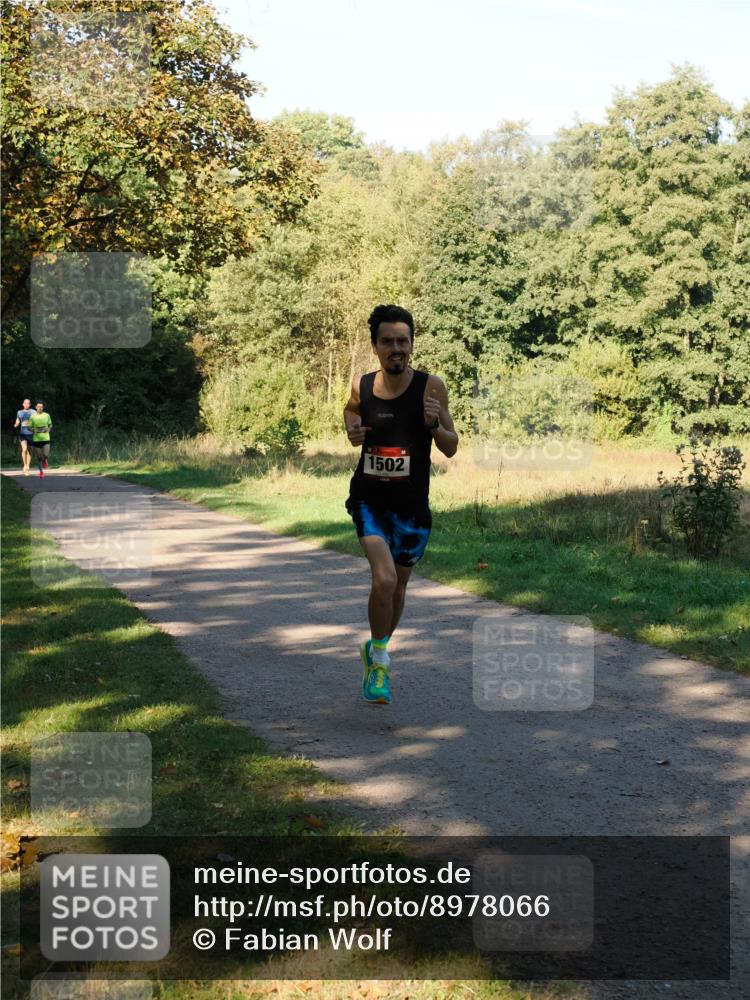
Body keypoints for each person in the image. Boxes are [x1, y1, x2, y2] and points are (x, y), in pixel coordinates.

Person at [344, 304, 458, 705]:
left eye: (403, 341)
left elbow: (450, 446)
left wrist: (434, 424)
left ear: (412, 344)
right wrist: (351, 428)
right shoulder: (362, 385)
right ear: (375, 346)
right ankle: (379, 662)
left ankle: (376, 647)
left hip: (412, 506)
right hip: (369, 500)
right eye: (388, 341)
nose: (397, 348)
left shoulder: (431, 387)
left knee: (400, 587)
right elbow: (352, 411)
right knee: (385, 579)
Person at [27, 401, 53, 479]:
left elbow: (50, 424)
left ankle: (45, 459)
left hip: (46, 438)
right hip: (37, 439)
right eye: (38, 407)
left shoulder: (47, 415)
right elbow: (29, 427)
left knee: (45, 455)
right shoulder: (32, 416)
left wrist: (48, 429)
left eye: (41, 407)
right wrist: (34, 431)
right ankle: (41, 472)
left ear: (43, 407)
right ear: (36, 407)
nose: (40, 408)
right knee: (39, 457)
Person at [13, 397, 34, 475]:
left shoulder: (33, 412)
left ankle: (28, 466)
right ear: (23, 404)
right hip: (23, 434)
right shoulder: (19, 412)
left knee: (30, 451)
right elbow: (18, 419)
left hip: (31, 434)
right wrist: (16, 423)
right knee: (24, 449)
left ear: (30, 404)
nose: (26, 404)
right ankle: (24, 465)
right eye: (25, 403)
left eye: (28, 403)